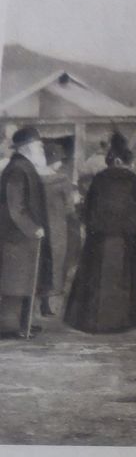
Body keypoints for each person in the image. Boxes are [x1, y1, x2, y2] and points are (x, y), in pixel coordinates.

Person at [64, 132, 136, 334]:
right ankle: (122, 320)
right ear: (122, 161)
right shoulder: (134, 179)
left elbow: (87, 210)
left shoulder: (99, 179)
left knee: (96, 276)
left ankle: (94, 320)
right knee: (125, 277)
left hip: (99, 238)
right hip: (127, 238)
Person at [0, 126, 51, 339]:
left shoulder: (23, 166)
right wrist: (32, 228)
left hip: (23, 237)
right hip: (18, 237)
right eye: (39, 146)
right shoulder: (18, 169)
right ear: (26, 148)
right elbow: (15, 207)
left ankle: (24, 324)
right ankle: (13, 328)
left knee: (26, 281)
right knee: (15, 284)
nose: (42, 150)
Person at [39, 140, 77, 316]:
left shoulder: (36, 178)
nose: (61, 163)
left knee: (41, 264)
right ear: (54, 160)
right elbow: (69, 207)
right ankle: (49, 304)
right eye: (60, 159)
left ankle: (41, 303)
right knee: (57, 262)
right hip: (58, 227)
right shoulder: (62, 179)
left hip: (40, 227)